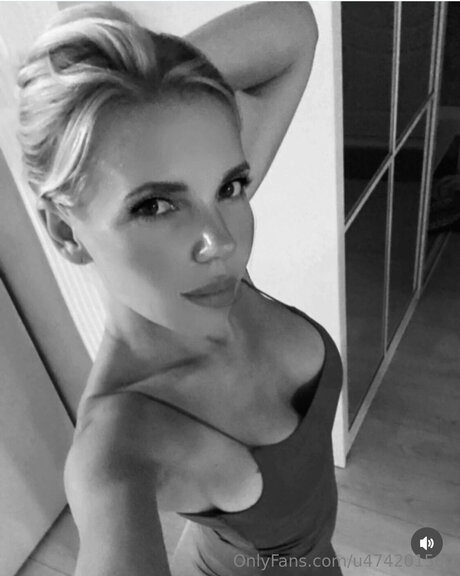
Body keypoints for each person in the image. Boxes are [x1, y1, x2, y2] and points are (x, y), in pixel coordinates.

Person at [16, 2, 344, 574]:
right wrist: (93, 107)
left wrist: (135, 83)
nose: (222, 242)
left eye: (231, 186)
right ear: (67, 232)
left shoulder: (205, 266)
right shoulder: (117, 447)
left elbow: (296, 26)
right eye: (154, 205)